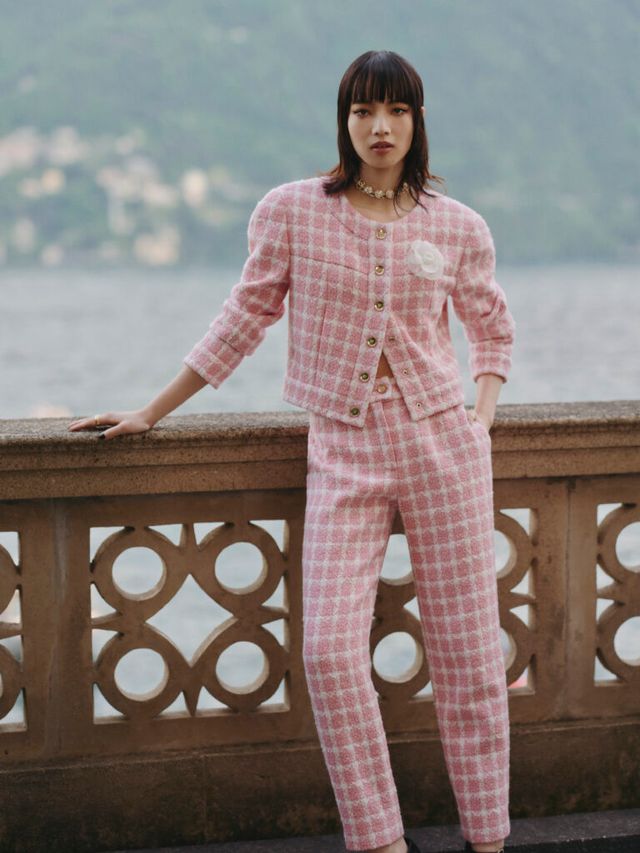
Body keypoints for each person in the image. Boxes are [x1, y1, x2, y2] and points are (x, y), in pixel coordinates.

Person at [69, 50, 514, 853]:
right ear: (343, 120)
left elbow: (492, 327)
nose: (379, 127)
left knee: (471, 655)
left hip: (445, 448)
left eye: (396, 110)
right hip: (344, 447)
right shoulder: (294, 211)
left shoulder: (457, 225)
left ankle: (488, 837)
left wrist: (480, 416)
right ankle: (379, 838)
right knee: (329, 652)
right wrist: (152, 411)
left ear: (418, 120)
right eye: (362, 110)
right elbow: (243, 317)